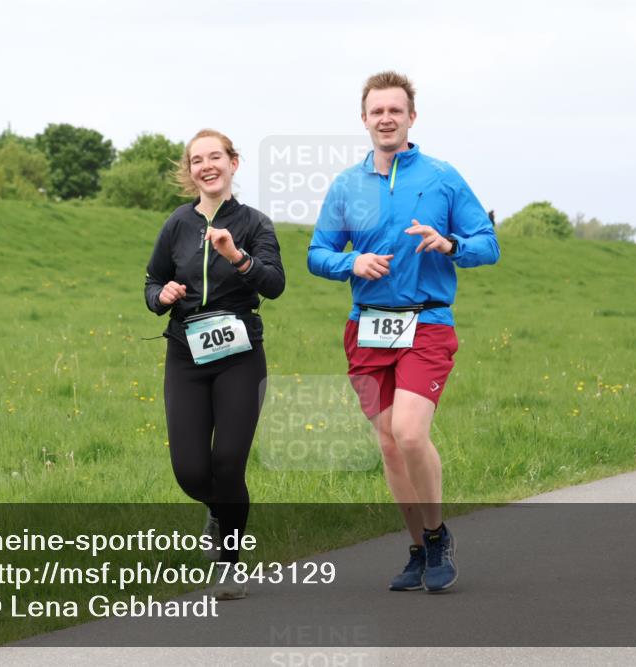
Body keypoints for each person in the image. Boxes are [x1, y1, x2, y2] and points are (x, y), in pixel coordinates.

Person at [307, 71, 499, 593]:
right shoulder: (347, 186)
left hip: (427, 322)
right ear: (364, 119)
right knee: (390, 445)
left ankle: (437, 535)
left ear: (412, 117)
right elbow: (317, 254)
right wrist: (351, 262)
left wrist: (451, 244)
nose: (386, 119)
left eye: (396, 110)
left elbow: (488, 244)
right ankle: (417, 549)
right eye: (377, 111)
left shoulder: (442, 177)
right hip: (368, 328)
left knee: (411, 432)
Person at [145, 129, 285, 599]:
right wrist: (161, 296)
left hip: (240, 354)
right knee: (190, 471)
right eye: (197, 160)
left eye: (215, 157)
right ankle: (222, 511)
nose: (206, 166)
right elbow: (152, 281)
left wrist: (236, 257)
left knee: (227, 463)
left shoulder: (255, 224)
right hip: (186, 353)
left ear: (233, 163)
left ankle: (229, 564)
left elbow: (274, 284)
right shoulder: (177, 224)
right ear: (190, 170)